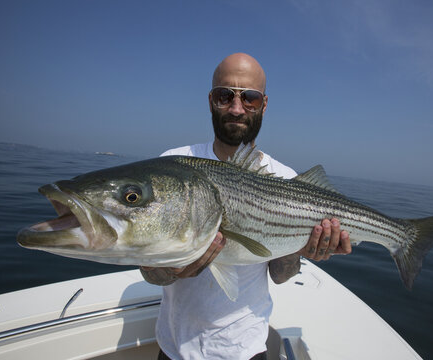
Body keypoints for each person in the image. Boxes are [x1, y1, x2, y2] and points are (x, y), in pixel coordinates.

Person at [141, 53, 351, 360]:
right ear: (211, 100)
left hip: (245, 350)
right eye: (224, 96)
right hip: (174, 348)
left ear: (263, 104)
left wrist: (302, 246)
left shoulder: (286, 179)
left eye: (249, 98)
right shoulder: (174, 164)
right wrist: (167, 268)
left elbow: (280, 275)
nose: (236, 108)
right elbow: (151, 273)